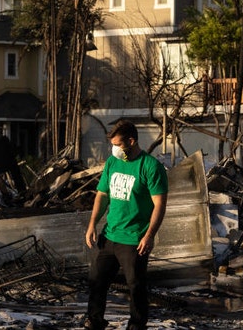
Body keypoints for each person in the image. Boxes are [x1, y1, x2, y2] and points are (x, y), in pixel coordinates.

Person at [84, 120, 168, 330]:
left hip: (134, 239)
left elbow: (159, 204)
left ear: (131, 141)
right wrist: (92, 224)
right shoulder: (113, 162)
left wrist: (149, 235)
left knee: (136, 286)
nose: (115, 149)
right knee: (96, 282)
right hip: (110, 235)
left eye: (118, 144)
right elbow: (102, 195)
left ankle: (136, 326)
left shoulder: (151, 166)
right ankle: (94, 322)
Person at [0, 134, 27, 200]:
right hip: (4, 160)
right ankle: (20, 192)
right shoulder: (7, 151)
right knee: (15, 173)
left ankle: (13, 193)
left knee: (12, 174)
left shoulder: (2, 148)